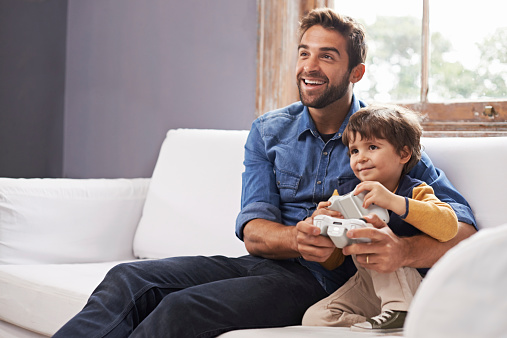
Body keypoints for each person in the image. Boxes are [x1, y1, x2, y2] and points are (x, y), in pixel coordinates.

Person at [53, 8, 476, 338]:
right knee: (128, 278)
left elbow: (464, 232)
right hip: (267, 264)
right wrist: (298, 237)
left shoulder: (384, 136)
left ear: (355, 73)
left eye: (327, 56)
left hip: (325, 283)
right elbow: (254, 230)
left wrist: (403, 253)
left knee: (182, 309)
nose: (309, 66)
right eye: (304, 52)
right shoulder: (269, 131)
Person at [302, 104, 459, 333]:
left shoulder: (415, 191)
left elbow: (449, 227)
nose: (360, 158)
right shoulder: (347, 194)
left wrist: (394, 202)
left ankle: (401, 309)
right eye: (354, 151)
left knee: (378, 242)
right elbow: (334, 261)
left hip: (410, 281)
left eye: (372, 147)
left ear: (403, 154)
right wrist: (325, 228)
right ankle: (385, 321)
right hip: (369, 283)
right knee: (315, 317)